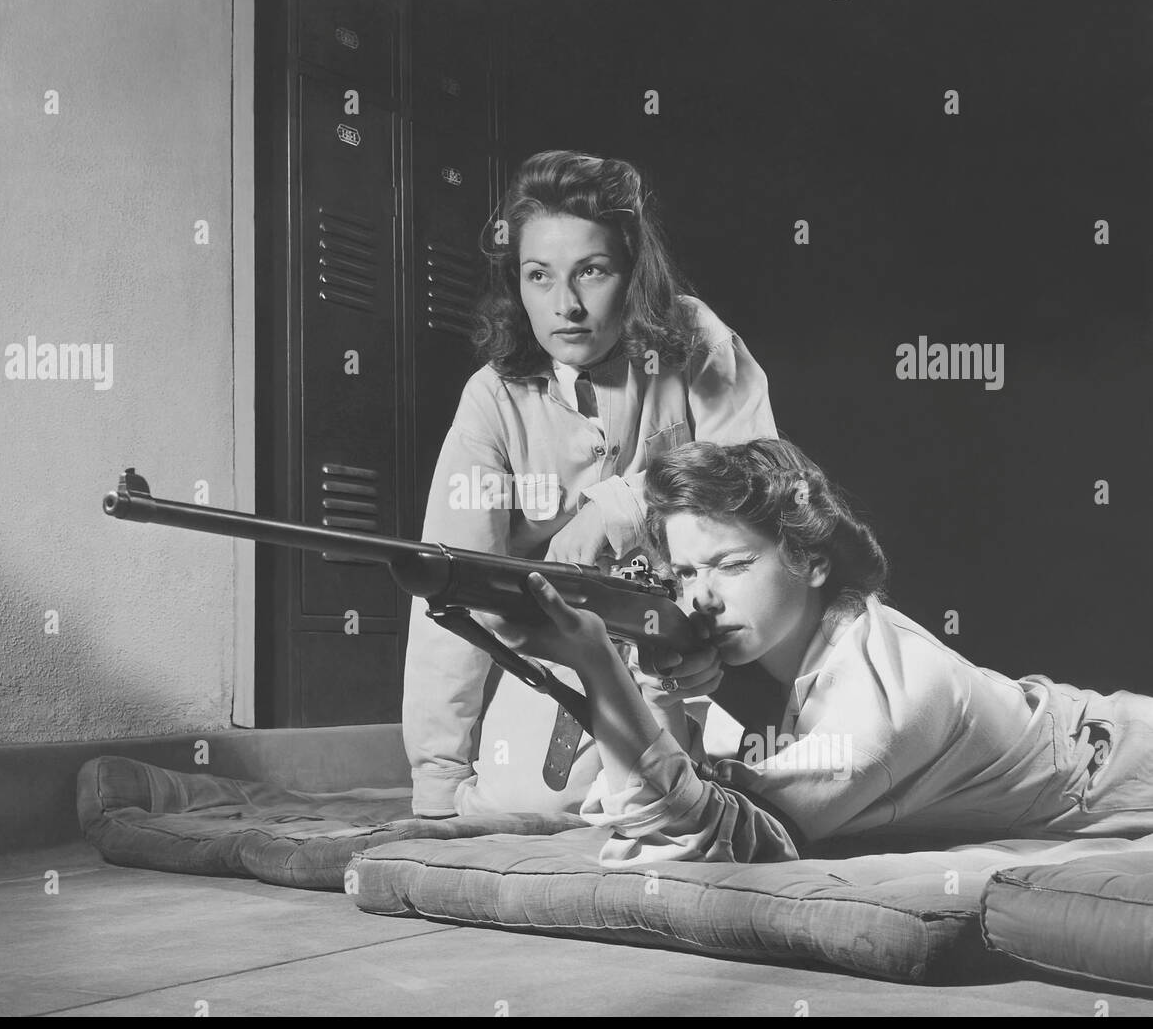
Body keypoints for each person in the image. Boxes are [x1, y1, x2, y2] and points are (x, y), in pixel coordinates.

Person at [486, 437, 1153, 864]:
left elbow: (694, 837)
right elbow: (667, 792)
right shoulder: (803, 647)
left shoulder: (884, 704)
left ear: (808, 561)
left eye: (733, 563)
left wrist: (599, 664)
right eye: (688, 573)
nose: (702, 599)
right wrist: (658, 681)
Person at [404, 150, 777, 818]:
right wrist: (435, 789)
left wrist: (618, 508)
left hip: (718, 631)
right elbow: (450, 591)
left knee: (818, 770)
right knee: (531, 800)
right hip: (570, 643)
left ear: (632, 272)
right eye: (539, 276)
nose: (566, 305)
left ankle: (727, 754)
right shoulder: (490, 401)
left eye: (592, 272)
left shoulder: (695, 340)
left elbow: (762, 479)